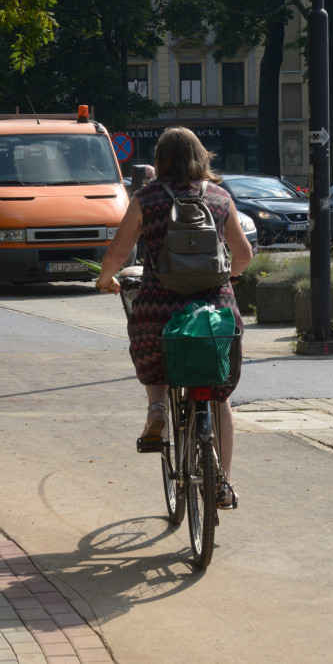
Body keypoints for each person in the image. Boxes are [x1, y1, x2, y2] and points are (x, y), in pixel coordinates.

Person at [95, 127, 253, 510]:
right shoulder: (219, 197)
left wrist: (105, 280)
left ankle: (157, 409)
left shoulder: (146, 199)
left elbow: (119, 252)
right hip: (215, 311)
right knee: (219, 396)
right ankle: (224, 485)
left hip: (160, 307)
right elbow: (244, 253)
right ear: (201, 155)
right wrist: (228, 279)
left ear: (161, 159)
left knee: (154, 353)